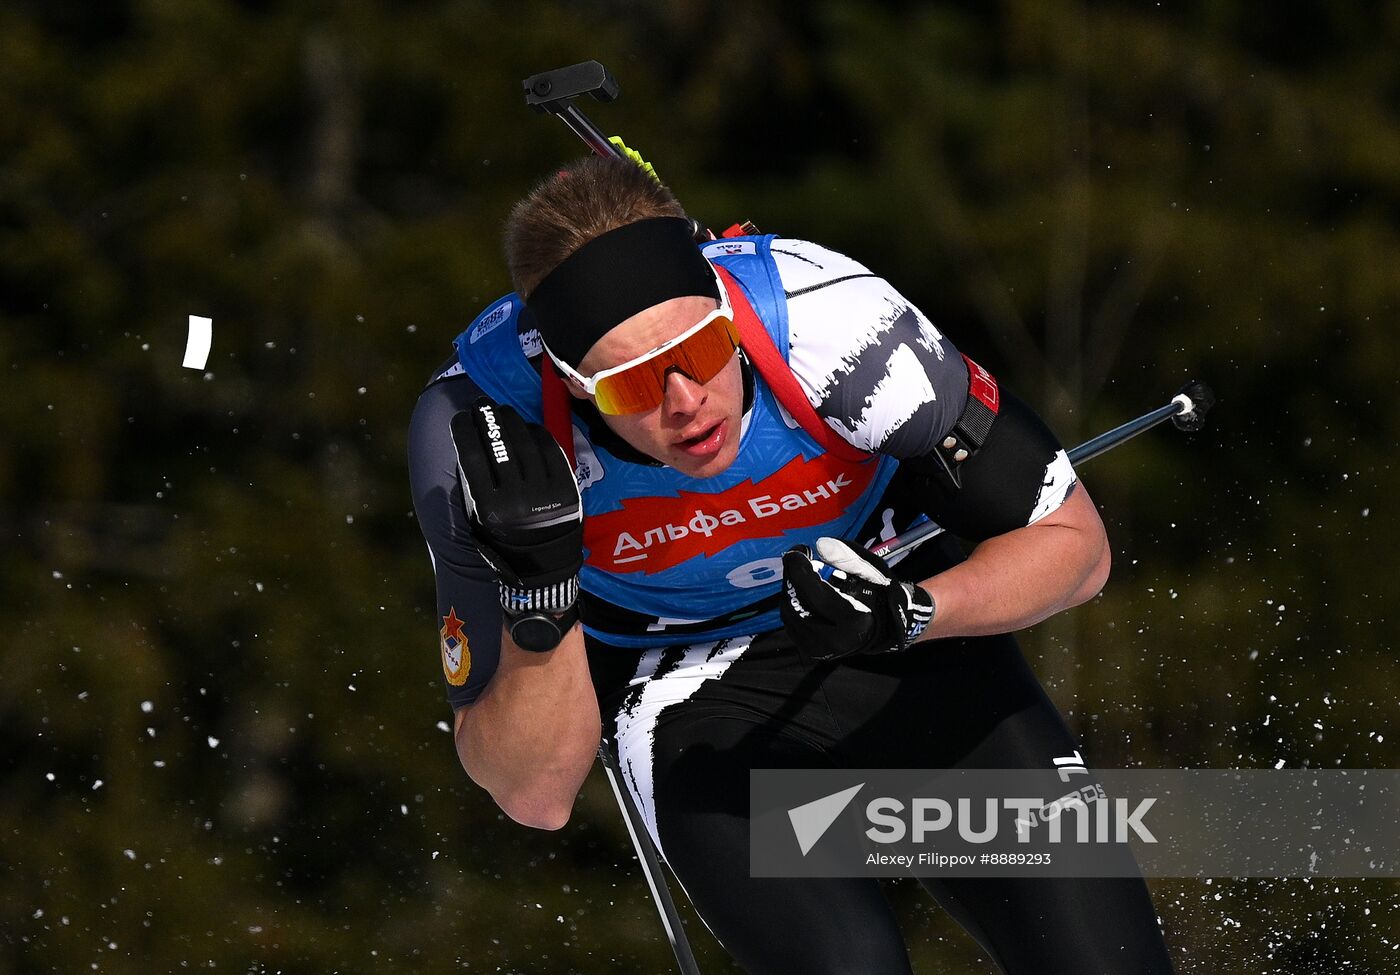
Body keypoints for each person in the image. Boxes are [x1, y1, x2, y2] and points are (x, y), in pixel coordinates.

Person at [407, 155, 1175, 974]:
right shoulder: (481, 432)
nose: (684, 401)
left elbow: (1078, 547)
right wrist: (541, 595)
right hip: (686, 693)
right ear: (575, 385)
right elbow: (535, 792)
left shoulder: (830, 323)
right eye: (632, 387)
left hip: (893, 624)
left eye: (703, 348)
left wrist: (912, 611)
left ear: (726, 311)